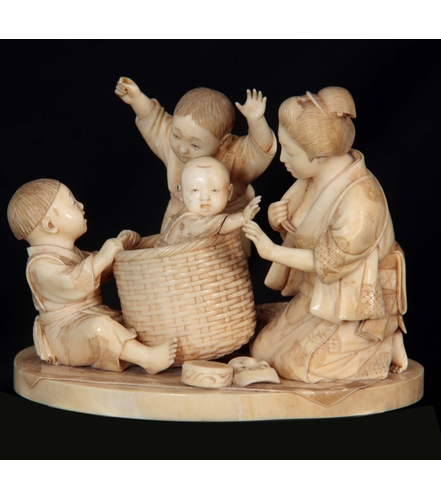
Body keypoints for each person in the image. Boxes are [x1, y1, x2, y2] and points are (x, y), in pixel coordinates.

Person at [242, 87, 408, 383]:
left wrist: (272, 252)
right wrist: (279, 223)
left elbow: (328, 262)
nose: (282, 158)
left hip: (350, 305)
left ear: (319, 156)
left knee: (293, 367)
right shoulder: (311, 178)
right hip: (316, 293)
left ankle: (383, 340)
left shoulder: (362, 202)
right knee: (260, 351)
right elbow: (305, 230)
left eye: (290, 151)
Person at [7, 179, 177, 374]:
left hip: (90, 316)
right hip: (66, 333)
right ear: (50, 225)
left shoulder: (74, 254)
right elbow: (72, 284)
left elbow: (98, 274)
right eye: (72, 203)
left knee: (129, 319)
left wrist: (120, 250)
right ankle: (147, 359)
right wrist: (103, 258)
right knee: (100, 328)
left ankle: (138, 352)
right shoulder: (39, 266)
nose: (81, 205)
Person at [115, 77, 276, 232]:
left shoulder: (236, 155)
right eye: (176, 135)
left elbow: (260, 148)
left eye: (195, 145)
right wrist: (137, 99)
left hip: (230, 222)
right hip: (179, 220)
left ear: (224, 141)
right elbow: (155, 120)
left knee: (231, 251)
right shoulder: (174, 147)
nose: (182, 149)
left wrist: (256, 120)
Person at [155, 157, 261, 247]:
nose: (205, 197)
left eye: (214, 190)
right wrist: (242, 217)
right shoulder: (188, 221)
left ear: (229, 192)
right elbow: (221, 225)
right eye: (195, 190)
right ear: (180, 193)